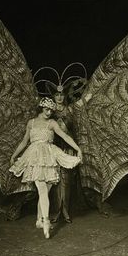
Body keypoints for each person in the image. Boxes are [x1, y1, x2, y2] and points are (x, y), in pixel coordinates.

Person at [9, 97, 82, 239]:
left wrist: (78, 149)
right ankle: (46, 222)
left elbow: (65, 137)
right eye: (46, 109)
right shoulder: (32, 122)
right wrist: (14, 155)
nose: (49, 112)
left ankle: (39, 220)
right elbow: (24, 141)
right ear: (40, 108)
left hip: (49, 156)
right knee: (42, 190)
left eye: (51, 110)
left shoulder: (52, 123)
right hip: (35, 158)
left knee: (45, 191)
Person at [50, 91, 78, 223]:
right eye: (56, 95)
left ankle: (66, 211)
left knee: (66, 181)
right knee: (55, 181)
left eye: (62, 94)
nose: (60, 97)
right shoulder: (49, 110)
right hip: (54, 148)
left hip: (68, 147)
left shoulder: (70, 109)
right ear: (53, 97)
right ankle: (55, 211)